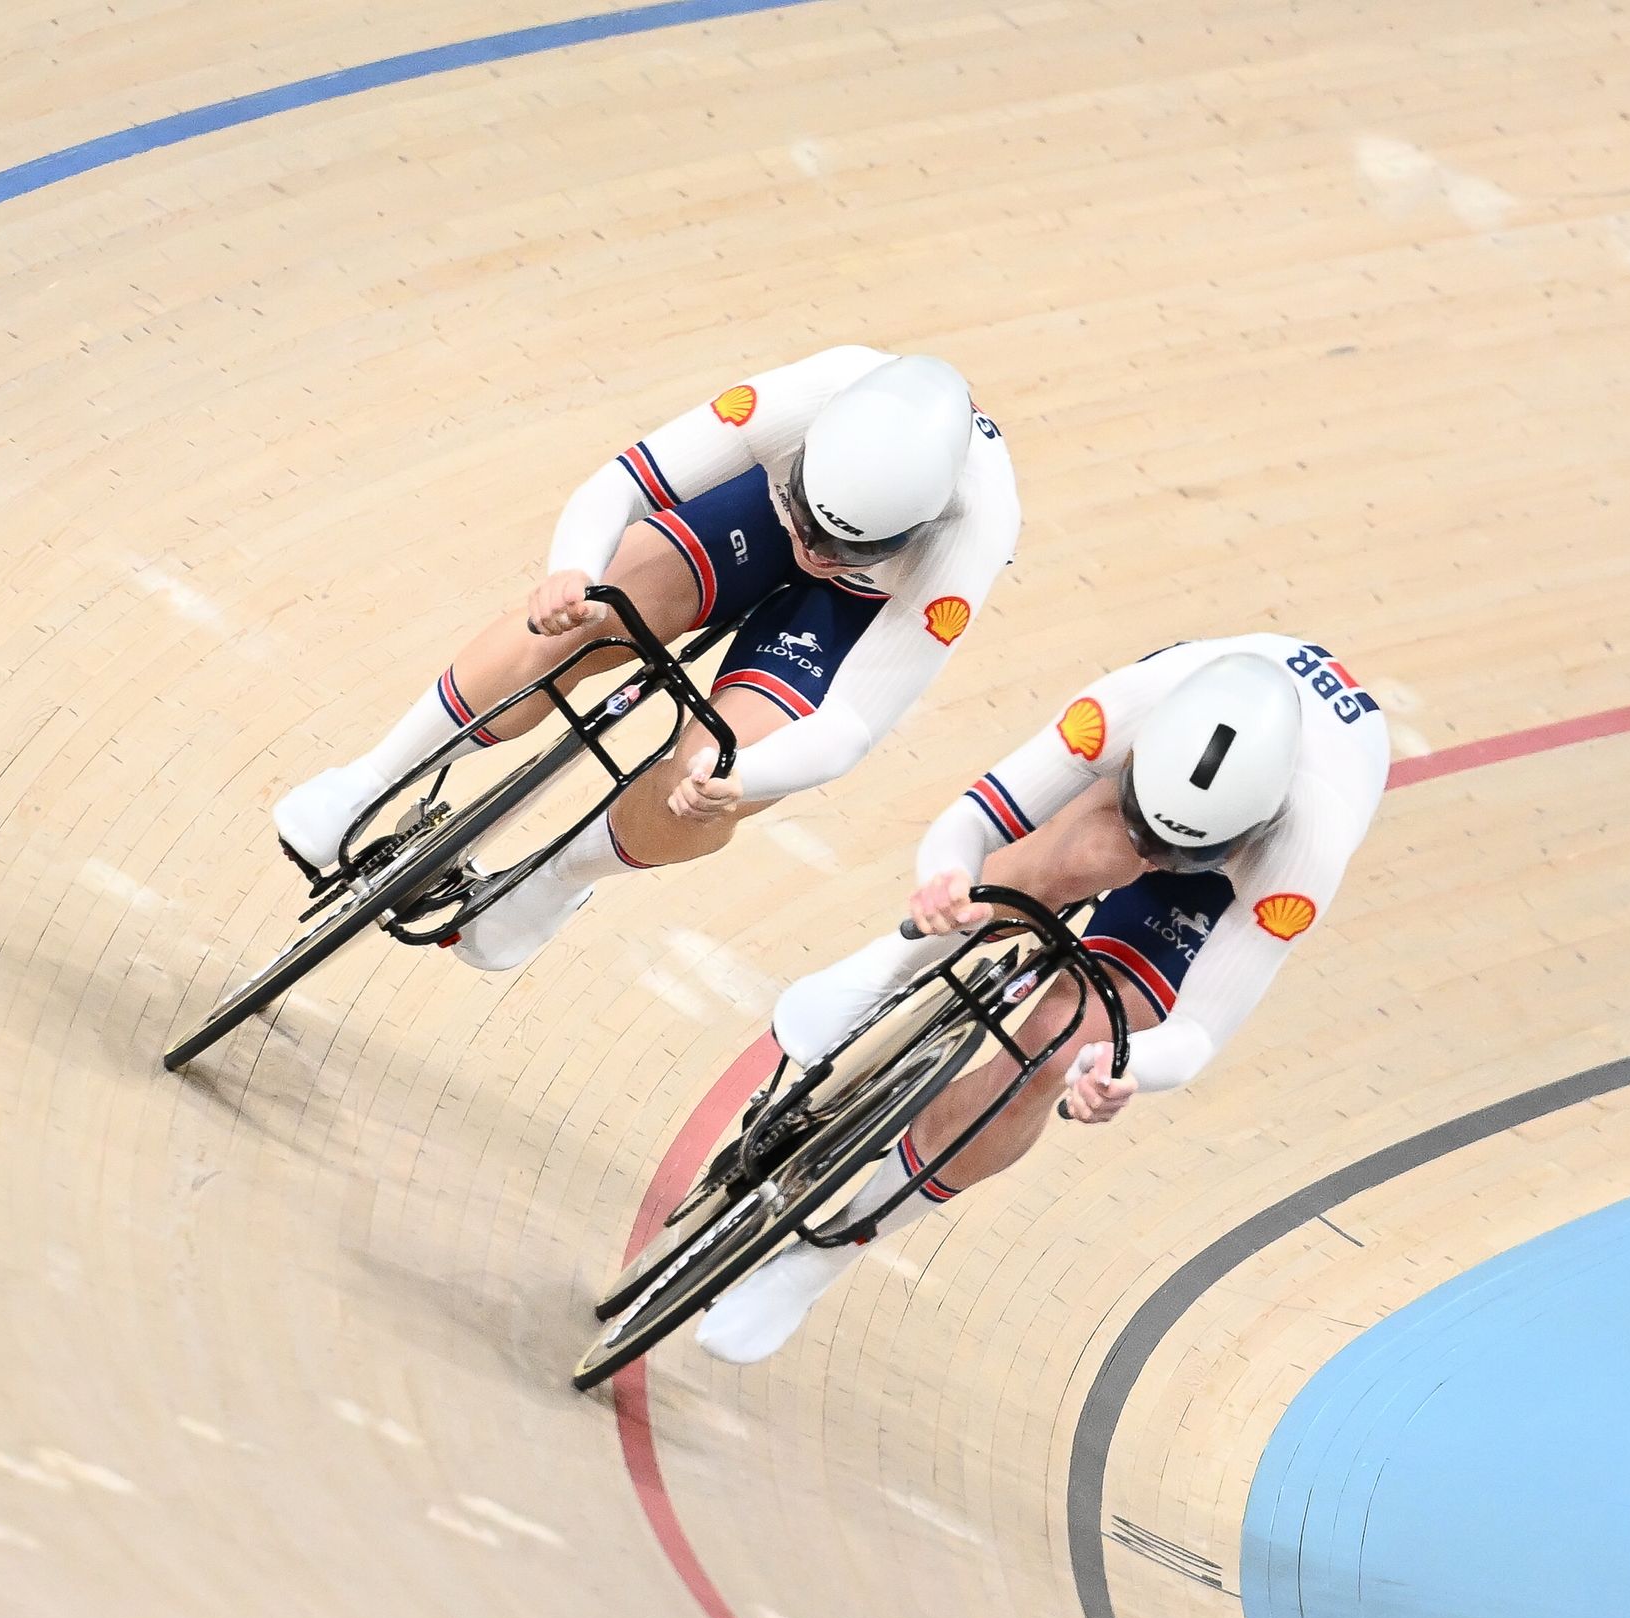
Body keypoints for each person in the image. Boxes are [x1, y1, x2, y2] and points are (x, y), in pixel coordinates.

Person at [695, 636, 1390, 1363]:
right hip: (1160, 768)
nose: (1156, 859)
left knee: (1057, 1050)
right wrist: (946, 884)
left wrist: (1120, 1069)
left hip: (1242, 855)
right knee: (1069, 863)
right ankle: (885, 968)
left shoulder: (1306, 849)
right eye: (1151, 833)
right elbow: (975, 822)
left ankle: (824, 1258)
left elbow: (1199, 1033)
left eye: (1180, 854)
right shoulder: (1123, 710)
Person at [273, 346, 1019, 970]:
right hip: (754, 511)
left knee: (712, 776)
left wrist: (742, 779)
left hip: (859, 610)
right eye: (813, 523)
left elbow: (852, 722)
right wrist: (570, 571)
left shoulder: (971, 535)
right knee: (581, 620)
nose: (816, 552)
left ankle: (552, 883)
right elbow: (623, 482)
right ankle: (365, 781)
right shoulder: (804, 397)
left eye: (848, 545)